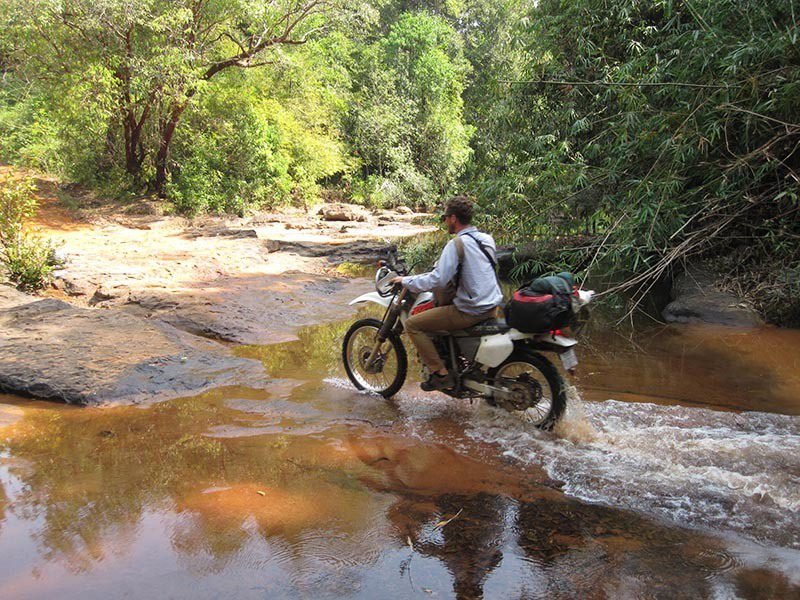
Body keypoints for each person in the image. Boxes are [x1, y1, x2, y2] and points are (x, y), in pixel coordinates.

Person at [391, 196, 503, 391]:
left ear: (453, 218)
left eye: (445, 217)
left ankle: (440, 374)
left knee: (413, 325)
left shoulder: (456, 244)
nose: (444, 222)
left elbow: (438, 280)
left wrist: (406, 281)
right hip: (492, 307)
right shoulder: (486, 239)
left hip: (470, 311)